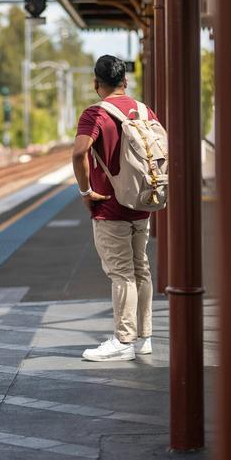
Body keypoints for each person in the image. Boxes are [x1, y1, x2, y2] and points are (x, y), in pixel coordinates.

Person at [72, 54, 156, 362]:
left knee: (121, 274)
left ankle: (123, 341)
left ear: (96, 83)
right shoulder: (145, 111)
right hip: (142, 203)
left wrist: (85, 191)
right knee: (140, 270)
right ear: (125, 81)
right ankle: (143, 337)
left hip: (110, 206)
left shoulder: (95, 114)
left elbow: (79, 152)